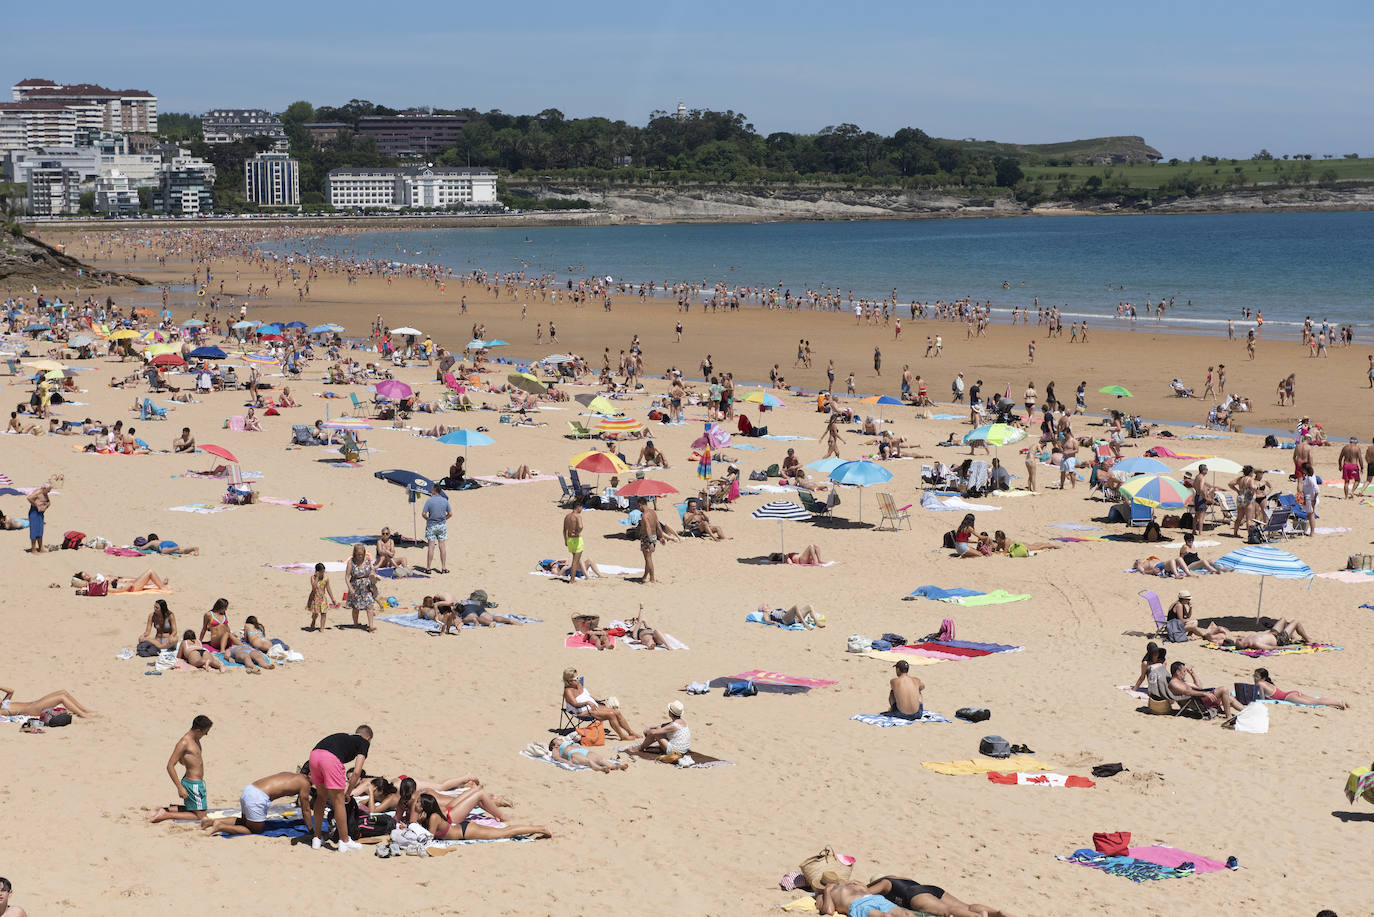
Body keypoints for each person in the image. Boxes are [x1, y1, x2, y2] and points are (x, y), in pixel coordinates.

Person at [308, 726, 373, 851]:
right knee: (339, 801)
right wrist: (348, 793)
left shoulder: (345, 736)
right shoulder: (364, 742)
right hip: (330, 759)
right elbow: (356, 772)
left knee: (321, 797)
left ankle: (316, 838)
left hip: (314, 755)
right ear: (368, 738)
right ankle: (344, 841)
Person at [201, 770, 313, 836]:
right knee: (254, 830)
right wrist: (312, 831)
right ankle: (220, 827)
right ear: (310, 773)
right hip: (258, 798)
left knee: (244, 821)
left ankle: (211, 822)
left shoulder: (290, 774)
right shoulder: (305, 784)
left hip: (249, 789)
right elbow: (306, 810)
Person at [415, 790, 551, 841]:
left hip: (466, 831)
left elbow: (427, 839)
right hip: (463, 828)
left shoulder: (433, 818)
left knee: (504, 833)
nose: (415, 803)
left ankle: (541, 828)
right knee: (503, 832)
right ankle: (540, 828)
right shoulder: (430, 816)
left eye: (418, 802)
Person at [149, 714, 213, 823]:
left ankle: (164, 809)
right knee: (201, 816)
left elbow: (184, 760)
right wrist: (179, 787)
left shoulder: (196, 739)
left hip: (196, 783)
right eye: (205, 731)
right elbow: (170, 766)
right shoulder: (184, 742)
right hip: (193, 784)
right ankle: (166, 815)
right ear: (198, 730)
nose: (206, 734)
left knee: (195, 809)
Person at [867, 876, 1018, 917]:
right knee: (967, 906)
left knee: (948, 910)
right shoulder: (897, 877)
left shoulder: (886, 883)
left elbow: (865, 894)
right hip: (930, 889)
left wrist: (864, 887)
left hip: (915, 896)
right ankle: (997, 913)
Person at [561, 667, 640, 738]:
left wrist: (599, 700)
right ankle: (622, 736)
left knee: (617, 712)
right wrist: (587, 703)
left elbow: (588, 696)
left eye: (578, 677)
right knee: (611, 715)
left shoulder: (578, 685)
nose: (578, 679)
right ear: (570, 681)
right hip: (583, 711)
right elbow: (575, 704)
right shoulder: (568, 691)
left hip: (594, 705)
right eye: (576, 678)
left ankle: (631, 732)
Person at [1165, 660, 1243, 716]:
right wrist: (1204, 693)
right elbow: (1187, 692)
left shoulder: (1182, 682)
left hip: (1200, 699)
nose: (1185, 673)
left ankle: (1247, 713)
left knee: (1230, 699)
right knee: (1224, 689)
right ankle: (1228, 716)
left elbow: (1199, 687)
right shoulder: (1174, 683)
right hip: (1198, 701)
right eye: (1184, 671)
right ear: (1177, 672)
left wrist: (1192, 673)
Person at [1252, 667, 1349, 709]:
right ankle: (1339, 701)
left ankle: (1338, 703)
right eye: (1254, 676)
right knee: (1316, 700)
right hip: (1292, 693)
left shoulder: (1260, 684)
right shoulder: (1267, 683)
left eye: (1256, 676)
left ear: (1263, 678)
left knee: (1315, 703)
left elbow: (1262, 699)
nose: (1254, 678)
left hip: (1287, 697)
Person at [818, 879, 921, 916]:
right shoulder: (823, 896)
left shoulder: (850, 883)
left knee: (907, 914)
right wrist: (827, 891)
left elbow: (868, 889)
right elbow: (828, 911)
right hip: (858, 905)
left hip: (876, 898)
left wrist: (861, 885)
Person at [1166, 590, 1230, 641]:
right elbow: (1181, 620)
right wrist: (1189, 620)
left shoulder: (1181, 604)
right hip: (1173, 628)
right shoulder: (1179, 605)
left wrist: (1190, 608)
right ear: (1183, 599)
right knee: (1193, 626)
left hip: (1176, 625)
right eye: (1188, 599)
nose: (1189, 601)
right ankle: (1204, 636)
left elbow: (1188, 616)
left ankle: (1190, 635)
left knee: (1195, 621)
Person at [0, 685, 95, 719]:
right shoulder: (1, 710)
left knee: (63, 692)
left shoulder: (4, 703)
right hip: (33, 710)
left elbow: (11, 691)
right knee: (61, 698)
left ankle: (84, 710)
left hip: (34, 703)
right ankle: (84, 715)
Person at [1224, 618, 1315, 652]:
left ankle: (1293, 637)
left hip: (1272, 633)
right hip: (1279, 639)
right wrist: (1288, 648)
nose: (1239, 639)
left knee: (1283, 620)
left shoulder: (1248, 638)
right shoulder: (1255, 644)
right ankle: (1307, 639)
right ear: (1245, 645)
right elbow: (1272, 648)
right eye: (1239, 641)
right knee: (1296, 622)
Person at [547, 736, 630, 772]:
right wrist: (566, 762)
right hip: (572, 754)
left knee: (601, 759)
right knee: (588, 761)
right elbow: (556, 758)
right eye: (557, 739)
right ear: (554, 745)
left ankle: (617, 766)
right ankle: (601, 769)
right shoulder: (556, 748)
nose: (559, 738)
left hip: (584, 751)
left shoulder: (567, 742)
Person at [345, 543, 378, 632]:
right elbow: (347, 577)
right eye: (358, 554)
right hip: (356, 586)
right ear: (355, 553)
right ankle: (355, 623)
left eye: (362, 554)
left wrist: (373, 576)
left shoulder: (367, 560)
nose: (360, 556)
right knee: (356, 608)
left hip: (367, 586)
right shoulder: (351, 562)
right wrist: (350, 588)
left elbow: (372, 571)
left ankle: (371, 626)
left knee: (370, 605)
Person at [421, 482, 451, 573]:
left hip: (431, 525)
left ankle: (428, 568)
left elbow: (423, 514)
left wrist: (428, 519)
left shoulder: (429, 501)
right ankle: (444, 567)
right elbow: (450, 514)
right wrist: (444, 519)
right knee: (442, 546)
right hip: (441, 525)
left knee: (431, 547)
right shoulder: (445, 500)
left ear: (434, 490)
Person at [306, 562, 338, 630]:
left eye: (324, 571)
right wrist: (317, 577)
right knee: (315, 613)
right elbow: (314, 587)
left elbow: (328, 588)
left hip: (322, 598)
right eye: (321, 572)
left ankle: (322, 628)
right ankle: (313, 621)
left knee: (324, 613)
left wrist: (333, 599)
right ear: (317, 571)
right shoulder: (313, 578)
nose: (323, 573)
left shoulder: (326, 579)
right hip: (314, 598)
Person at [25, 479, 53, 554]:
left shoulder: (45, 493)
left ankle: (41, 548)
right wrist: (36, 505)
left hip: (41, 514)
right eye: (48, 490)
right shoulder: (38, 492)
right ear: (44, 488)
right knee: (34, 531)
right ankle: (33, 549)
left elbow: (48, 502)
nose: (49, 492)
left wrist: (46, 506)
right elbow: (29, 498)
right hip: (34, 513)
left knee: (40, 530)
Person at [638, 501, 660, 584]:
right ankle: (645, 576)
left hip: (647, 537)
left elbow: (648, 528)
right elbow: (657, 524)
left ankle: (652, 578)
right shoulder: (653, 512)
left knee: (648, 558)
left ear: (641, 505)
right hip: (654, 536)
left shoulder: (644, 515)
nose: (638, 509)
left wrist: (650, 542)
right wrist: (660, 536)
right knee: (647, 558)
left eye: (638, 507)